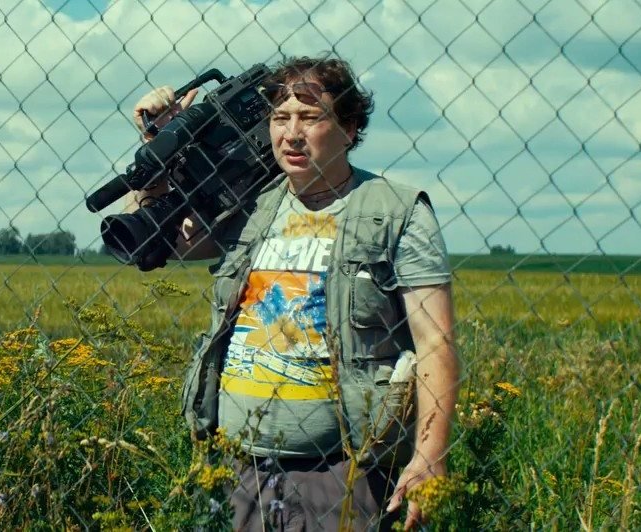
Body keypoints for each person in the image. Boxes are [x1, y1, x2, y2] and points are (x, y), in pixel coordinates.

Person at [126, 55, 458, 530]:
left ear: (349, 128)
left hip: (344, 473)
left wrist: (429, 455)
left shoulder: (396, 212)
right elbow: (155, 244)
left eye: (310, 117)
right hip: (236, 467)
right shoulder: (248, 207)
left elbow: (436, 343)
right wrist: (159, 149)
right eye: (280, 118)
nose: (292, 133)